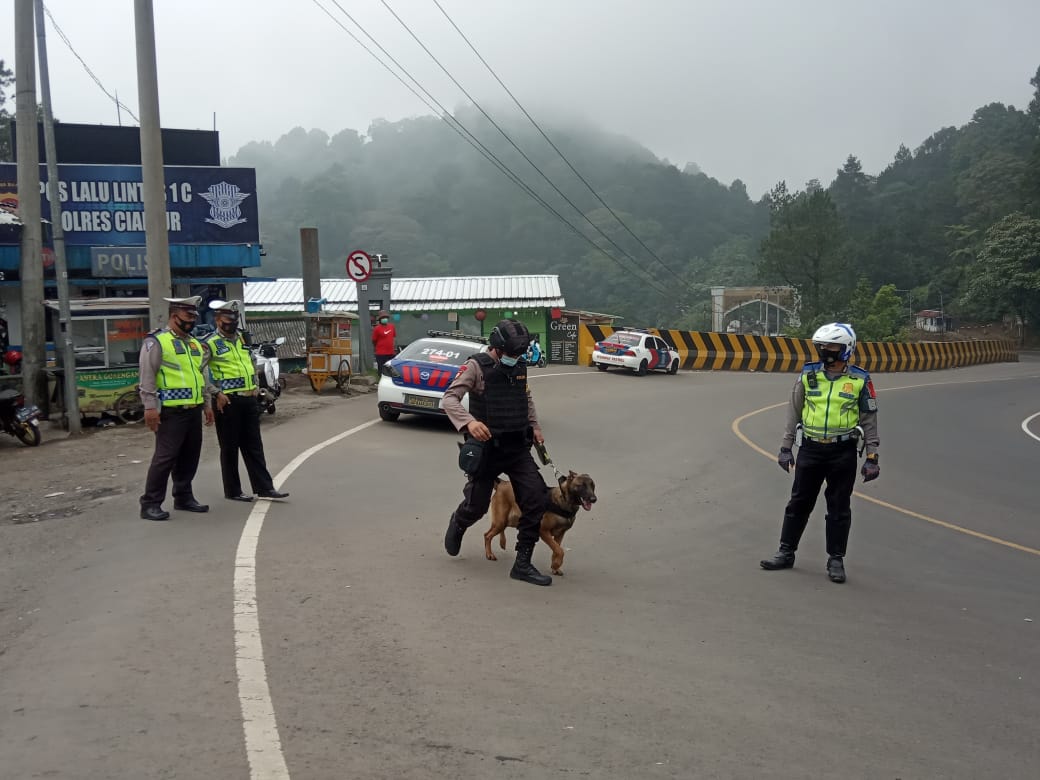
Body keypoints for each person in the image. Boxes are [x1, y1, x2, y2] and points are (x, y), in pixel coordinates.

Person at [760, 322, 880, 583]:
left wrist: (872, 456)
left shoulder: (860, 379)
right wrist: (785, 447)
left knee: (839, 507)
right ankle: (786, 552)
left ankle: (836, 559)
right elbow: (793, 412)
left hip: (843, 451)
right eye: (822, 346)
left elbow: (869, 419)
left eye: (832, 346)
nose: (826, 351)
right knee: (798, 502)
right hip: (810, 449)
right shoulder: (808, 375)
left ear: (846, 349)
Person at [441, 318, 552, 586]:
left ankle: (522, 563)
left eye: (519, 354)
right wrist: (470, 422)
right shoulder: (476, 367)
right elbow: (449, 398)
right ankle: (459, 521)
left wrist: (534, 426)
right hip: (487, 449)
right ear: (497, 348)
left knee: (536, 499)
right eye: (512, 354)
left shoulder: (520, 367)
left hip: (517, 447)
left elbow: (525, 398)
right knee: (477, 506)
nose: (516, 358)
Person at [200, 300, 289, 503]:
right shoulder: (209, 342)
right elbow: (199, 372)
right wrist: (215, 393)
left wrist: (257, 387)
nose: (231, 323)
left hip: (249, 399)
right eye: (227, 320)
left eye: (234, 319)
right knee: (230, 447)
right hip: (227, 401)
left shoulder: (242, 339)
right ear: (217, 319)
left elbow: (251, 363)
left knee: (254, 446)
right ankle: (233, 490)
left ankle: (265, 488)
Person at [138, 296, 214, 521]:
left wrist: (207, 404)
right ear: (174, 315)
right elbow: (147, 376)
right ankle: (150, 503)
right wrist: (150, 407)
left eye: (194, 316)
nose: (191, 321)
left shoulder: (193, 344)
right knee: (165, 457)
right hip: (170, 411)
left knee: (190, 456)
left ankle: (183, 496)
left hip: (193, 409)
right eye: (187, 316)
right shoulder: (157, 341)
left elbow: (200, 375)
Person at [372, 310, 397, 374]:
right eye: (383, 318)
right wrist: (378, 348)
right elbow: (374, 340)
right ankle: (380, 381)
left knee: (391, 370)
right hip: (381, 354)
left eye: (386, 317)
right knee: (381, 370)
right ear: (380, 319)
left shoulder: (392, 326)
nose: (384, 319)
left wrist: (394, 348)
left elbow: (394, 338)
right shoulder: (377, 328)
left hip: (391, 353)